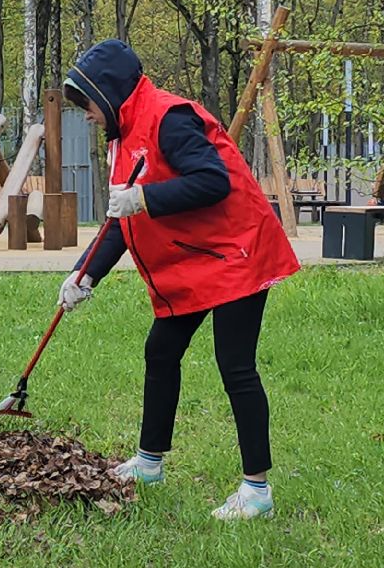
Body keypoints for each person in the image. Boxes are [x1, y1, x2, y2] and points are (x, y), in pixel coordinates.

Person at [56, 40, 300, 521]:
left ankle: (257, 492)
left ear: (107, 93)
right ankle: (149, 463)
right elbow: (121, 221)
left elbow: (213, 180)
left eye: (87, 103)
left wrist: (144, 198)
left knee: (236, 367)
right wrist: (85, 274)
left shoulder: (170, 118)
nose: (86, 114)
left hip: (237, 250)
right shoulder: (123, 136)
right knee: (161, 351)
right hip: (197, 260)